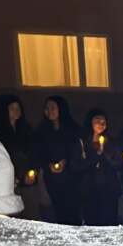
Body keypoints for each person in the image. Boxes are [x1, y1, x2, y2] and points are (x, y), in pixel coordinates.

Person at [32, 95, 82, 225]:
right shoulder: (42, 130)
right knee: (58, 208)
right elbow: (38, 152)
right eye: (47, 108)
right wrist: (48, 165)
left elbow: (76, 150)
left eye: (53, 107)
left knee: (72, 208)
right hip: (52, 178)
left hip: (70, 177)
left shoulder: (72, 128)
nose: (50, 111)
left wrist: (65, 162)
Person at [0, 95, 40, 220]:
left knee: (31, 211)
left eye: (18, 108)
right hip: (8, 179)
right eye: (12, 108)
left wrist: (32, 172)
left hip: (27, 177)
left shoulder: (26, 129)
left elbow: (34, 152)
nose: (16, 111)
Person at [76, 109, 122, 226]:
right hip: (89, 190)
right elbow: (78, 166)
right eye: (97, 120)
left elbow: (118, 164)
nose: (101, 124)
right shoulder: (83, 143)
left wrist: (105, 155)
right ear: (90, 122)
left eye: (103, 121)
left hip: (108, 190)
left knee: (108, 221)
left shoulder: (112, 142)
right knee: (92, 221)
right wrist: (96, 157)